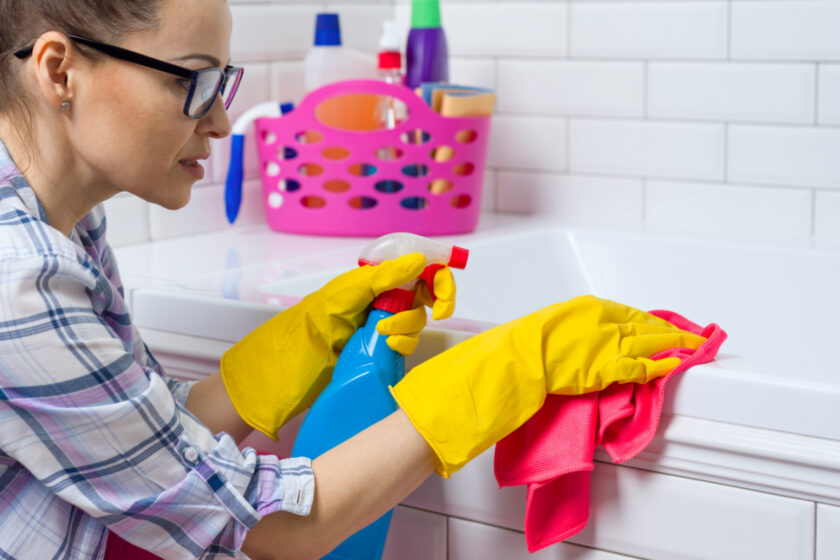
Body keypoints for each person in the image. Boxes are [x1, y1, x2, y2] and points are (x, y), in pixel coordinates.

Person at [0, 1, 707, 559]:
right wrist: (506, 370)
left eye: (224, 83)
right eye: (193, 81)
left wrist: (302, 338)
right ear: (60, 72)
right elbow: (267, 529)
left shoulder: (66, 220)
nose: (219, 121)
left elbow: (143, 445)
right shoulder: (24, 279)